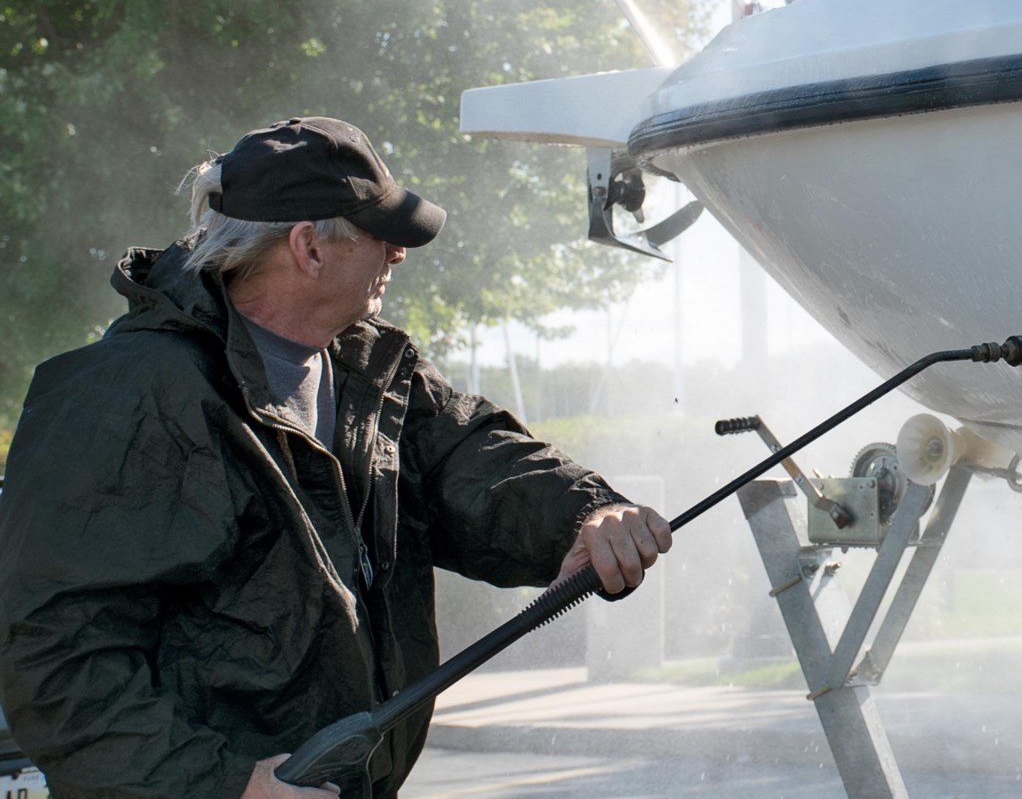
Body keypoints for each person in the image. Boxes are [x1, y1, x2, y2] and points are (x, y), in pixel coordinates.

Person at [0, 117, 673, 798]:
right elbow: (54, 663)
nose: (399, 255)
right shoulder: (123, 397)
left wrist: (586, 514)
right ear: (308, 248)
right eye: (380, 234)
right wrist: (230, 786)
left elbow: (467, 458)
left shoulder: (368, 368)